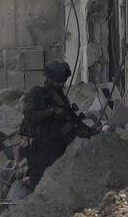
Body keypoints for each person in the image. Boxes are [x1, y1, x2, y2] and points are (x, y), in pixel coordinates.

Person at [20, 59, 92, 189]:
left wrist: (86, 130)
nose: (61, 84)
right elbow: (29, 117)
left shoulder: (62, 98)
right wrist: (51, 111)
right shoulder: (37, 94)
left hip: (57, 150)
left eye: (62, 82)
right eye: (58, 81)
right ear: (48, 78)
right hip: (40, 152)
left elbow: (73, 120)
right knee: (39, 189)